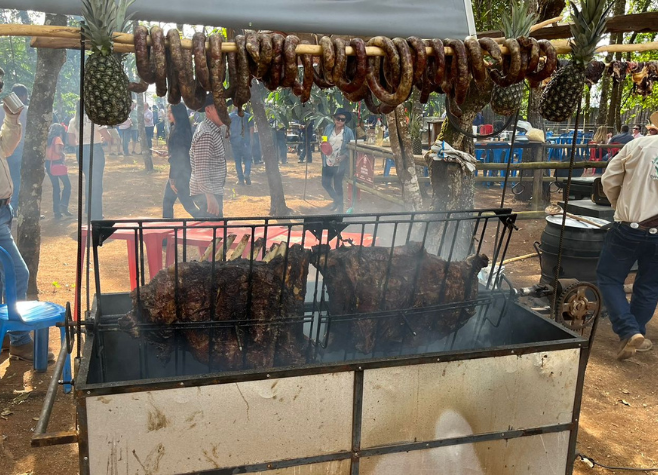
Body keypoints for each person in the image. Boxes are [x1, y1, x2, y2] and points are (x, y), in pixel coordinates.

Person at [596, 111, 658, 361]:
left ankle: (629, 330)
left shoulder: (637, 145)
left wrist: (618, 207)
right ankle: (635, 334)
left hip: (630, 227)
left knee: (608, 277)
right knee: (650, 284)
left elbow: (609, 179)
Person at [0, 75, 36, 361]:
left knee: (3, 277)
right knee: (18, 272)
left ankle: (4, 337)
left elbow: (5, 148)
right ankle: (20, 339)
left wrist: (12, 119)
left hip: (3, 209)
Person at [69, 101, 111, 220]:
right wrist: (103, 139)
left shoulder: (73, 121)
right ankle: (96, 214)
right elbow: (108, 137)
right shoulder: (95, 119)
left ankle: (88, 209)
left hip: (81, 150)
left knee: (89, 180)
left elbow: (71, 142)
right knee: (96, 183)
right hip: (95, 149)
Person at [189, 94, 227, 217]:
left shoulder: (213, 130)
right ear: (208, 110)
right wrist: (210, 197)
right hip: (206, 193)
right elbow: (201, 169)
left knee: (216, 230)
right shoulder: (206, 134)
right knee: (214, 232)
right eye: (219, 109)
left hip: (211, 191)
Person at [162, 103, 202, 219]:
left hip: (180, 174)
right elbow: (180, 152)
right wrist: (169, 153)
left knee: (188, 206)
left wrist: (173, 178)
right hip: (184, 172)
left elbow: (179, 157)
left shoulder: (178, 132)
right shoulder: (183, 129)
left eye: (170, 112)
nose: (168, 115)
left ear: (177, 114)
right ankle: (167, 231)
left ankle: (211, 223)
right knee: (168, 202)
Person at [0, 84, 29, 217]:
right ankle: (14, 209)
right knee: (16, 180)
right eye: (26, 96)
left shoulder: (1, 108)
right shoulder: (25, 110)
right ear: (22, 96)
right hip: (17, 149)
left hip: (3, 150)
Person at [321, 108, 355, 213]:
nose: (339, 121)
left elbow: (352, 147)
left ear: (345, 121)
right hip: (327, 160)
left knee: (338, 184)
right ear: (334, 118)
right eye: (338, 118)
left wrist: (343, 156)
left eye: (342, 119)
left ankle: (340, 207)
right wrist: (323, 144)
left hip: (339, 163)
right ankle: (337, 200)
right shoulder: (328, 128)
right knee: (325, 183)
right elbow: (324, 139)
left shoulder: (348, 132)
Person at [44, 123, 72, 219]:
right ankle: (63, 205)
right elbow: (57, 150)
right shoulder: (57, 139)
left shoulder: (47, 139)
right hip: (57, 163)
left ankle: (56, 211)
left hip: (49, 164)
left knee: (56, 187)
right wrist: (63, 154)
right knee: (67, 185)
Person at [228, 105, 253, 185]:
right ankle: (247, 173)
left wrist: (229, 138)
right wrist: (251, 139)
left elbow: (227, 129)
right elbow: (251, 129)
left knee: (237, 161)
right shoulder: (248, 116)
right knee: (248, 159)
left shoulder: (230, 116)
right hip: (245, 141)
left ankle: (241, 180)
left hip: (235, 141)